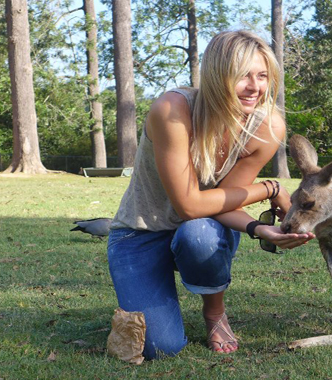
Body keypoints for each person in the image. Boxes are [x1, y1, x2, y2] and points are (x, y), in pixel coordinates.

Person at [107, 30, 315, 359]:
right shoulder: (173, 109)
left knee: (198, 234)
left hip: (201, 228)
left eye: (262, 76)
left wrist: (259, 229)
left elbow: (222, 202)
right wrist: (270, 188)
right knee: (160, 347)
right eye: (243, 75)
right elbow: (189, 204)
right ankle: (143, 297)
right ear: (218, 75)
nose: (255, 87)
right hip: (140, 233)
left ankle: (214, 312)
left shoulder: (267, 127)